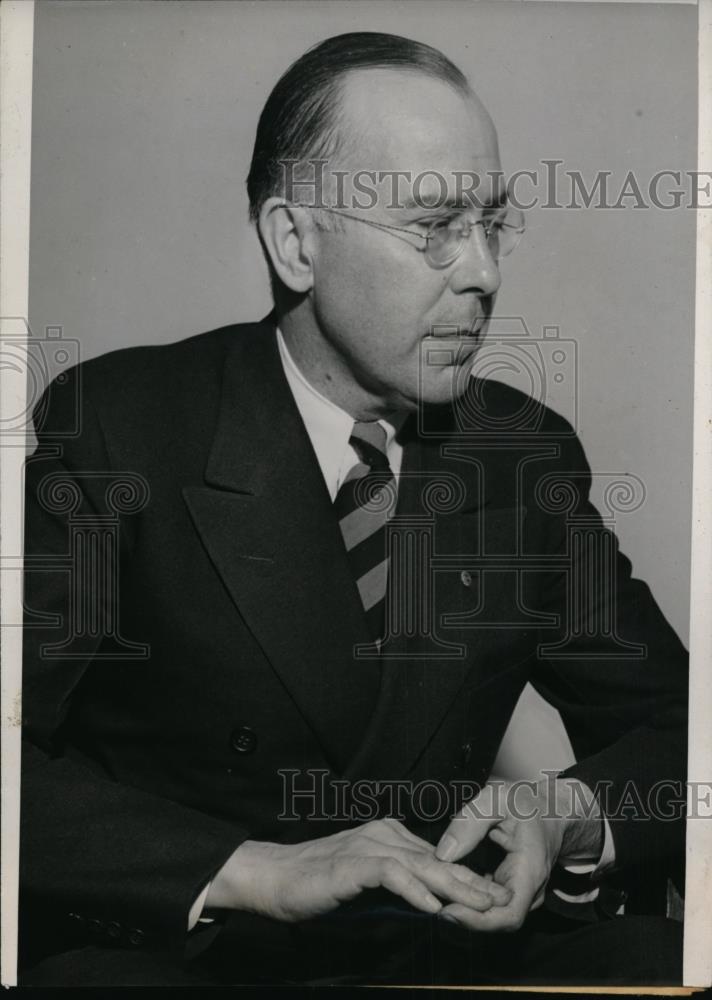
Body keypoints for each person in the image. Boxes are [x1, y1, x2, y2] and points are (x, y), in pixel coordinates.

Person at [19, 32, 688, 986]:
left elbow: (685, 736)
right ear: (296, 243)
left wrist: (571, 815)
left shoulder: (518, 455)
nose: (485, 272)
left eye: (493, 224)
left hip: (438, 953)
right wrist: (254, 870)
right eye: (434, 228)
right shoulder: (120, 432)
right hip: (201, 958)